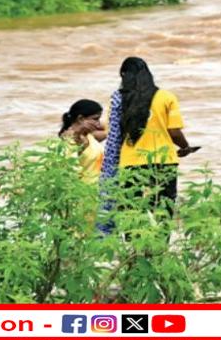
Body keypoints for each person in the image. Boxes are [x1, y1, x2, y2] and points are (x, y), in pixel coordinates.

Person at [100, 57, 195, 222]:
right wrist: (185, 147)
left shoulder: (119, 99)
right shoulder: (166, 97)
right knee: (164, 206)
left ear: (123, 75)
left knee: (131, 208)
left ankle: (135, 246)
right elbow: (174, 131)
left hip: (130, 162)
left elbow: (114, 135)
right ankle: (160, 246)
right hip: (163, 161)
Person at [58, 99, 105, 184]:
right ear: (80, 118)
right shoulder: (71, 139)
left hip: (98, 190)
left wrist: (84, 126)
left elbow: (113, 129)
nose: (98, 124)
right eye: (95, 119)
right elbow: (70, 172)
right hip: (85, 191)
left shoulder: (89, 136)